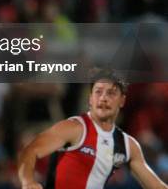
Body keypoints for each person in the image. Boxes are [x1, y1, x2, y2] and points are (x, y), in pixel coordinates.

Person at [17, 71, 168, 189]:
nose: (103, 98)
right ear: (90, 98)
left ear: (122, 100)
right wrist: (28, 181)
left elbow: (156, 186)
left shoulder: (128, 145)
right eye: (98, 92)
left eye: (111, 93)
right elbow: (30, 151)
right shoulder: (73, 128)